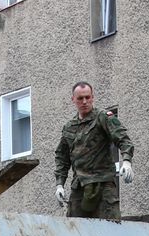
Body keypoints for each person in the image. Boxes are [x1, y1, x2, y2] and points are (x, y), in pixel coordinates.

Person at [54, 82, 134, 220]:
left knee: (111, 227)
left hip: (103, 185)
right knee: (73, 230)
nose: (84, 102)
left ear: (92, 97)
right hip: (79, 186)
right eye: (80, 98)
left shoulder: (103, 117)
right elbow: (62, 157)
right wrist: (59, 184)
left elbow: (123, 139)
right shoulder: (69, 127)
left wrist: (126, 162)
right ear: (73, 99)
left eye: (88, 97)